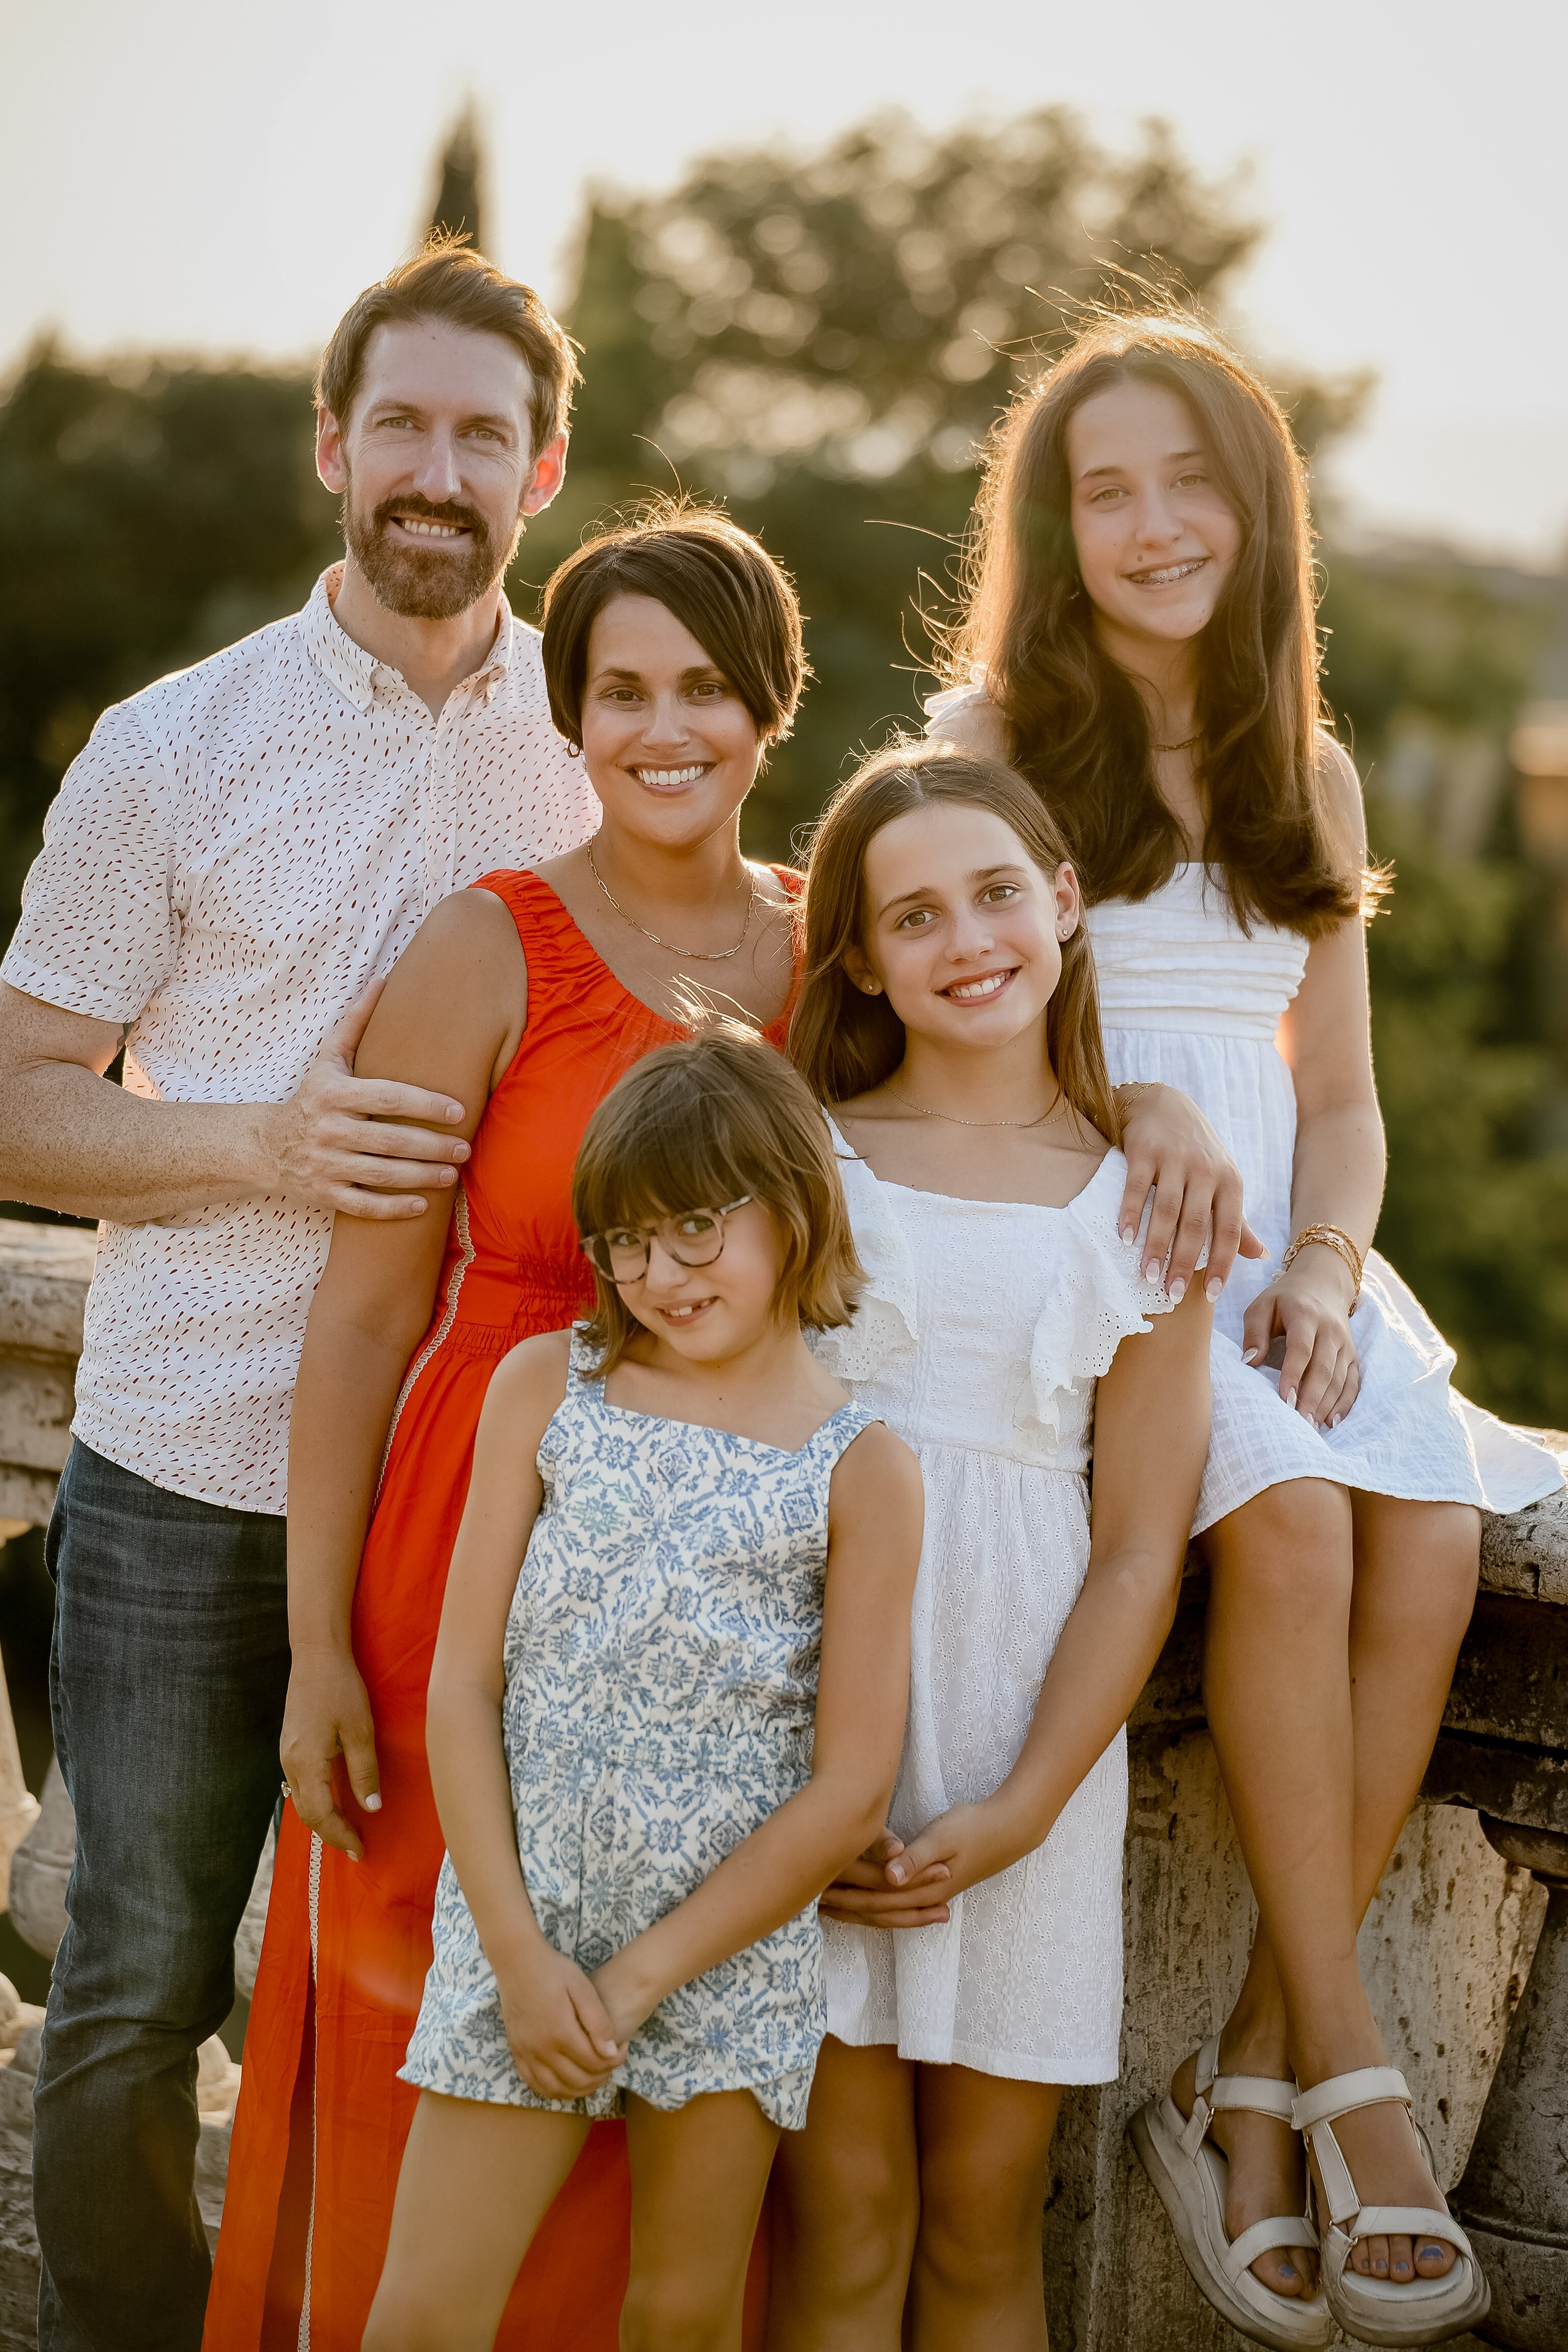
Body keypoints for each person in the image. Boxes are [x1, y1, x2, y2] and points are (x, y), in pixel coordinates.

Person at [926, 311, 1561, 2348]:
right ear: (1055, 521)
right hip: (1103, 1255)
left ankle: (1252, 2078)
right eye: (1104, 489)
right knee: (1288, 1530)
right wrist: (1147, 1104)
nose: (1152, 523)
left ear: (1256, 508)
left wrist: (1320, 1263)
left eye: (1190, 480)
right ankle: (1351, 2075)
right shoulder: (989, 746)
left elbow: (1350, 1103)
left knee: (1438, 1533)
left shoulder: (1314, 764)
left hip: (1292, 1263)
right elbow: (949, 1031)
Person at [0, 236, 595, 2352]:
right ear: (335, 445)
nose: (440, 469)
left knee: (420, 1976)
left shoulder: (604, 743)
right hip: (179, 1460)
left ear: (542, 475)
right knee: (138, 1965)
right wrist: (257, 1143)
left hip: (471, 1497)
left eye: (486, 435)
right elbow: (13, 1105)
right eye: (406, 424)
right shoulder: (172, 746)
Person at [206, 508, 813, 2350]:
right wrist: (321, 1642)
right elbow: (370, 1309)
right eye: (620, 688)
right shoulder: (486, 947)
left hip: (718, 1595)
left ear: (772, 710)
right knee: (423, 2045)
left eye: (706, 687)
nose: (663, 726)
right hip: (472, 1536)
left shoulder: (829, 957)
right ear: (574, 714)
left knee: (659, 2083)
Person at [363, 1029, 922, 2352]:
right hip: (528, 1919)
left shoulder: (860, 1467)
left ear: (790, 1207)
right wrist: (515, 1955)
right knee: (420, 2319)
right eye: (623, 1240)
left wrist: (636, 1985)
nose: (653, 1273)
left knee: (679, 2318)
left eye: (691, 1229)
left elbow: (849, 1788)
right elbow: (461, 1687)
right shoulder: (546, 1390)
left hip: (721, 1957)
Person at [766, 745, 1213, 2350]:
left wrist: (1027, 1801)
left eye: (999, 893)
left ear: (1068, 901)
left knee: (976, 2223)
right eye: (916, 914)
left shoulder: (1142, 1203)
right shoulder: (805, 1154)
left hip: (1034, 1738)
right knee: (844, 2220)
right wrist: (801, 1784)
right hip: (819, 1735)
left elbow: (1138, 1550)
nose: (968, 939)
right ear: (863, 959)